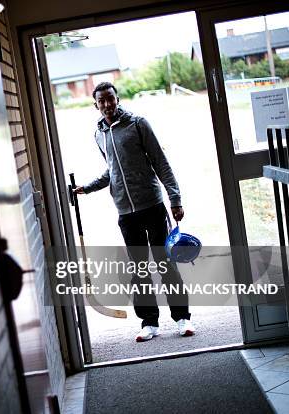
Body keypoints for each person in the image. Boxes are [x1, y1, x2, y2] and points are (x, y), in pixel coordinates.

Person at [74, 81, 195, 342]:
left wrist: (175, 198)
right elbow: (112, 170)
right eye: (101, 101)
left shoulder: (138, 124)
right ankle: (149, 322)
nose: (106, 105)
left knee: (165, 263)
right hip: (125, 213)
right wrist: (89, 187)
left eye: (110, 99)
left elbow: (160, 161)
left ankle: (182, 318)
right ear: (95, 104)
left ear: (117, 99)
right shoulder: (99, 134)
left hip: (151, 204)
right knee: (139, 268)